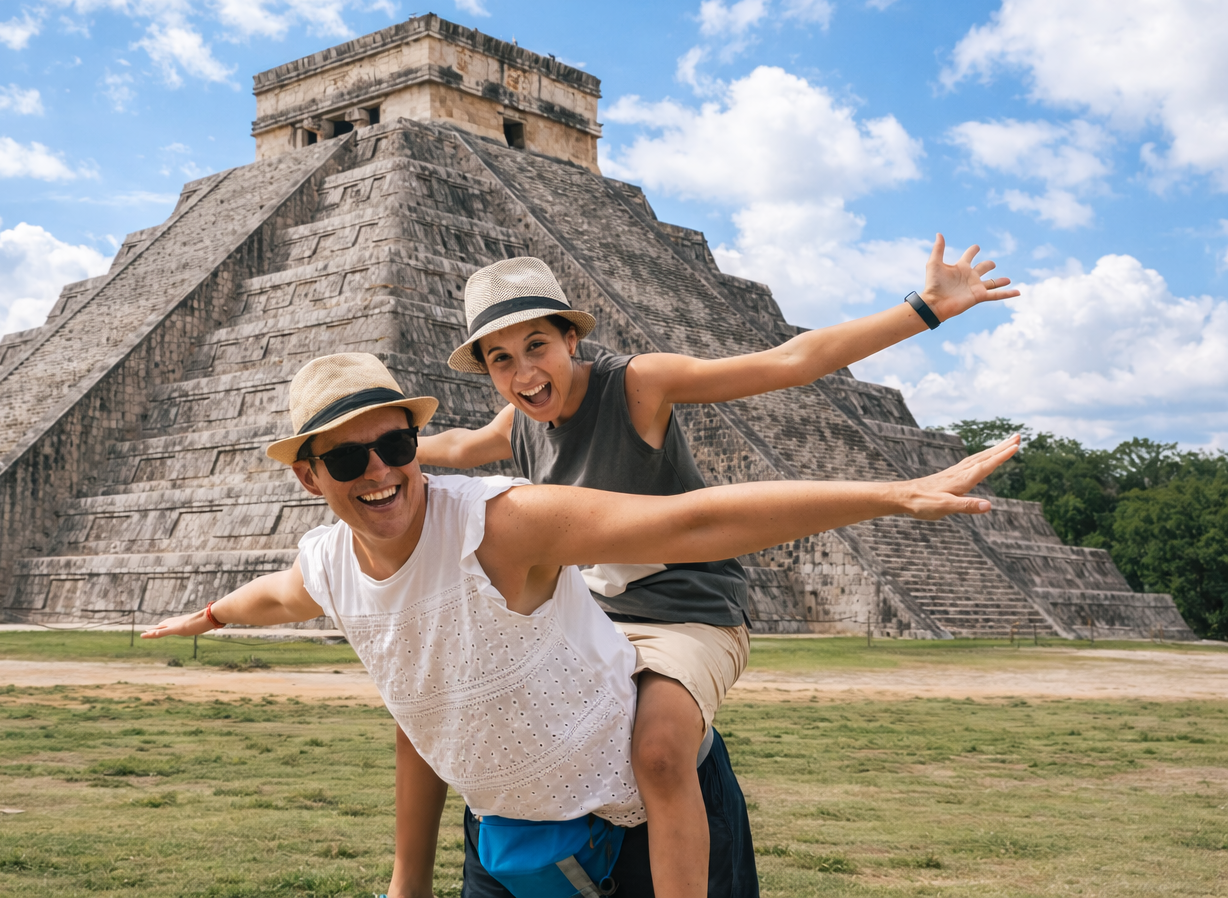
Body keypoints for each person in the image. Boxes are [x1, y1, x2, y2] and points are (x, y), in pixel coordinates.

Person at [142, 351, 1019, 898]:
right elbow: (276, 597)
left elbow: (689, 524)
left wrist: (894, 496)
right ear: (308, 477)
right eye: (345, 458)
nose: (379, 472)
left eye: (397, 446)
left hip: (635, 831)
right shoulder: (330, 564)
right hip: (506, 843)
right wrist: (209, 615)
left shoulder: (501, 523)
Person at [410, 238, 1018, 896]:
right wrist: (380, 450)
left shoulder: (636, 385)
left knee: (658, 752)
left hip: (685, 611)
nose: (524, 372)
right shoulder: (519, 422)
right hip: (591, 618)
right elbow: (458, 446)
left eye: (537, 346)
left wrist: (924, 308)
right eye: (501, 359)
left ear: (571, 340)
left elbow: (789, 362)